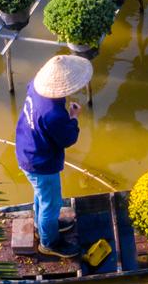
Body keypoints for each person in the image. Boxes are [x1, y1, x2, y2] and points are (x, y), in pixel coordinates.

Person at [15, 53, 92, 258]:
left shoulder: (35, 86)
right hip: (40, 162)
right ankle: (49, 242)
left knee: (42, 195)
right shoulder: (54, 114)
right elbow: (67, 138)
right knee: (52, 202)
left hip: (25, 148)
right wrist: (73, 118)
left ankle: (44, 226)